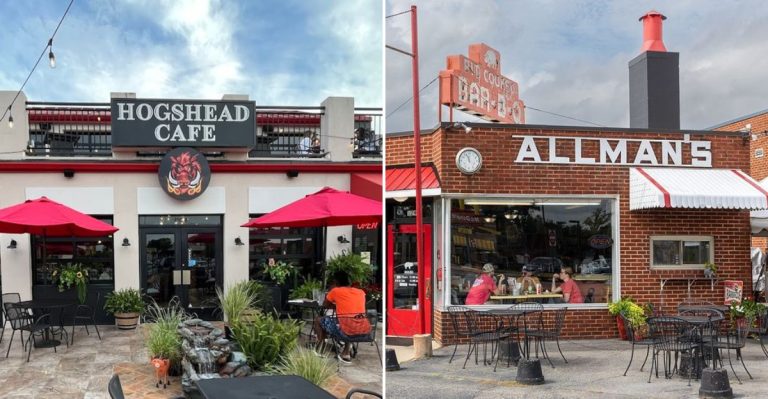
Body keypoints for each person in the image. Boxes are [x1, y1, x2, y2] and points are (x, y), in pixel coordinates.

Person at [313, 271, 370, 364]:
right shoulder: (361, 292)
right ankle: (346, 352)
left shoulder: (335, 291)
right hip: (363, 330)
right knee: (349, 320)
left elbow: (324, 305)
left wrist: (332, 292)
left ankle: (321, 347)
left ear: (335, 282)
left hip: (345, 331)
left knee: (319, 320)